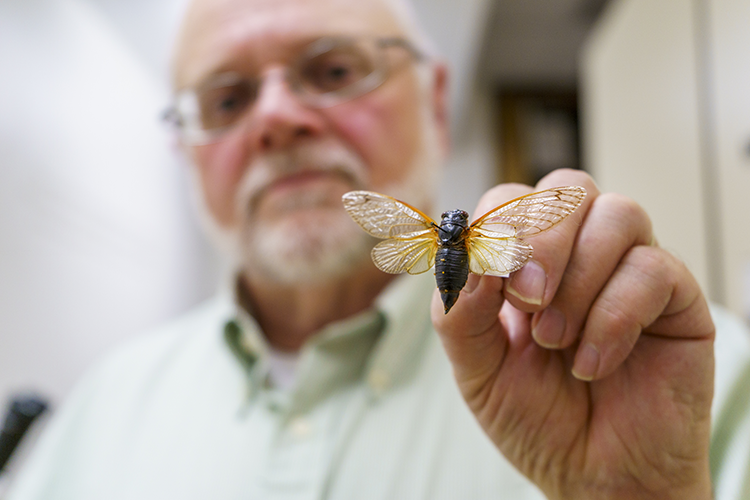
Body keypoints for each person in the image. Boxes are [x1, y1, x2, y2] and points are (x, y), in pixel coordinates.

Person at [6, 0, 750, 498]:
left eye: (332, 71)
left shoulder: (671, 376)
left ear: (433, 99)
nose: (276, 119)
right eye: (227, 100)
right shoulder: (95, 416)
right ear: (185, 151)